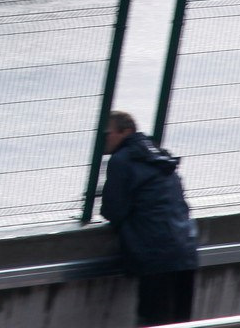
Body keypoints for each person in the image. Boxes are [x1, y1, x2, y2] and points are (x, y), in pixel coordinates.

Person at [101, 111, 199, 327]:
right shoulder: (159, 155)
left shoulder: (121, 160)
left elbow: (113, 210)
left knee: (154, 320)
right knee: (182, 321)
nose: (103, 139)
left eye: (106, 133)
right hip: (185, 250)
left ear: (125, 132)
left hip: (155, 254)